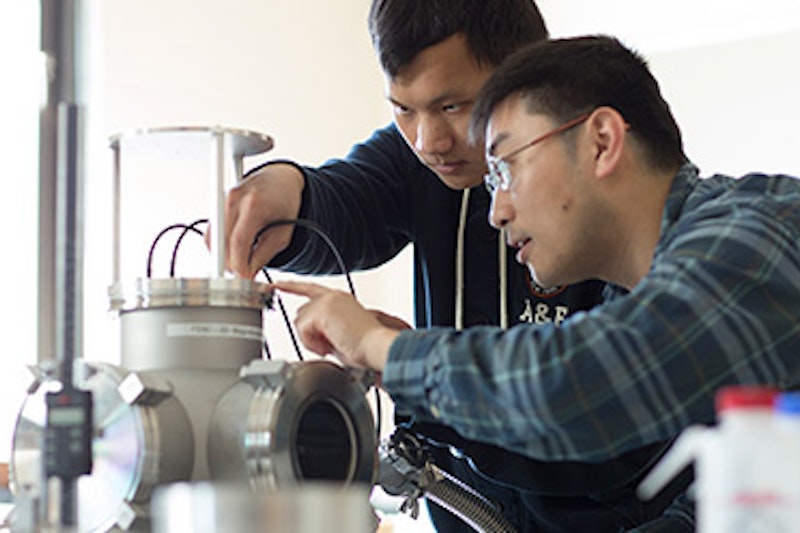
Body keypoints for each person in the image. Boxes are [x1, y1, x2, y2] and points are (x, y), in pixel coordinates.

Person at [273, 35, 800, 531]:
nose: (495, 212)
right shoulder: (637, 296)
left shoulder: (756, 237)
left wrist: (380, 345)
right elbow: (606, 463)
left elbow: (582, 384)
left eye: (504, 169)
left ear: (601, 141)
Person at [224, 1, 644, 531]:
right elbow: (347, 202)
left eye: (454, 107)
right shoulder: (425, 161)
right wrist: (290, 193)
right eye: (402, 109)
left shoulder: (613, 189)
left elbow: (587, 410)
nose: (428, 143)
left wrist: (400, 358)